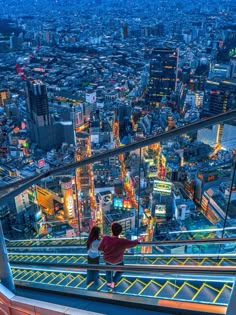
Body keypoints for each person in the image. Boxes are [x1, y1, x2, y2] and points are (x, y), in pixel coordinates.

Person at [98, 222, 143, 289]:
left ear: (111, 230)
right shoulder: (122, 241)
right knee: (121, 270)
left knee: (108, 271)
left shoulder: (105, 239)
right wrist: (138, 239)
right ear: (120, 232)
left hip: (108, 259)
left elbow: (100, 248)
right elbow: (132, 243)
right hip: (118, 261)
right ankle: (114, 281)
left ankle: (109, 283)